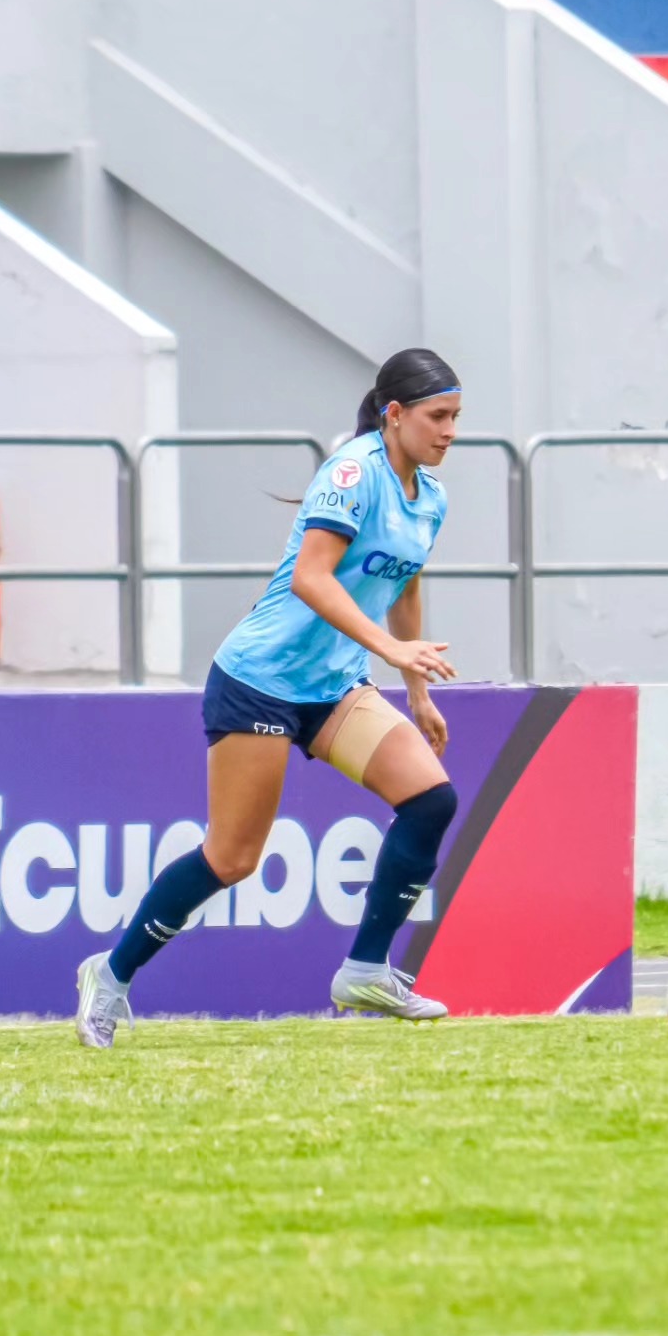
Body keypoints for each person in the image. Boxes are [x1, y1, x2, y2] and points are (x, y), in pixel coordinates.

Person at [75, 348, 464, 1046]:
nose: (450, 432)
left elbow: (404, 584)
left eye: (456, 417)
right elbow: (313, 579)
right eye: (438, 416)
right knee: (231, 859)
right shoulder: (350, 474)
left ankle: (365, 971)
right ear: (394, 414)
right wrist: (390, 650)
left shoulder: (430, 496)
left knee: (430, 799)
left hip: (332, 686)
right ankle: (110, 974)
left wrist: (416, 689)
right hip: (261, 679)